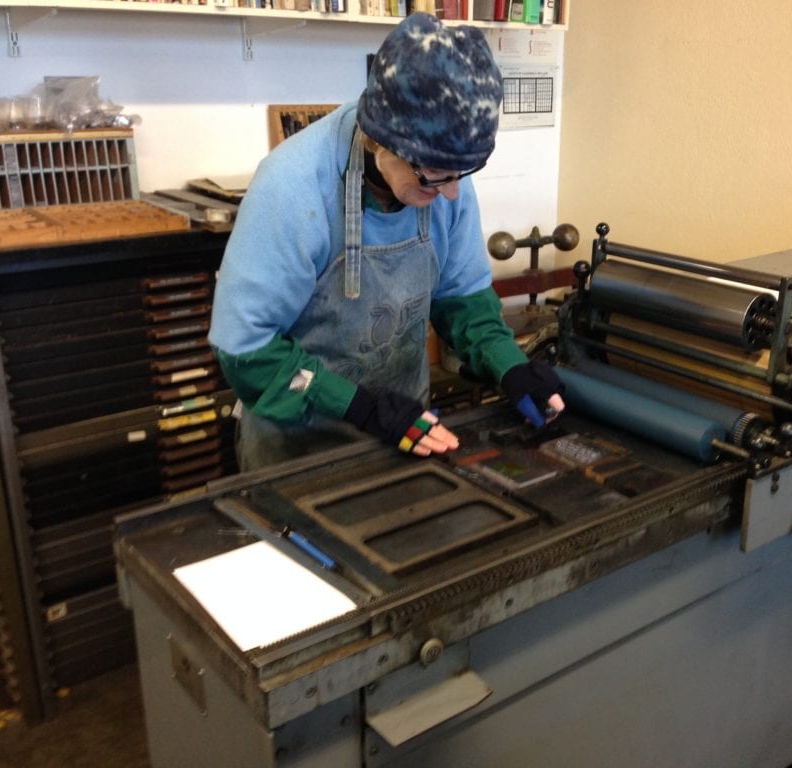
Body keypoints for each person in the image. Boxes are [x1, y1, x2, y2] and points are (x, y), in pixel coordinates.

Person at [209, 12, 565, 472]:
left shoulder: (444, 176)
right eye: (435, 174)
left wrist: (510, 366)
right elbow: (244, 351)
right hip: (298, 449)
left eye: (462, 173)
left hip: (407, 433)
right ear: (379, 138)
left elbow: (463, 300)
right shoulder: (294, 186)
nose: (452, 192)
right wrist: (362, 407)